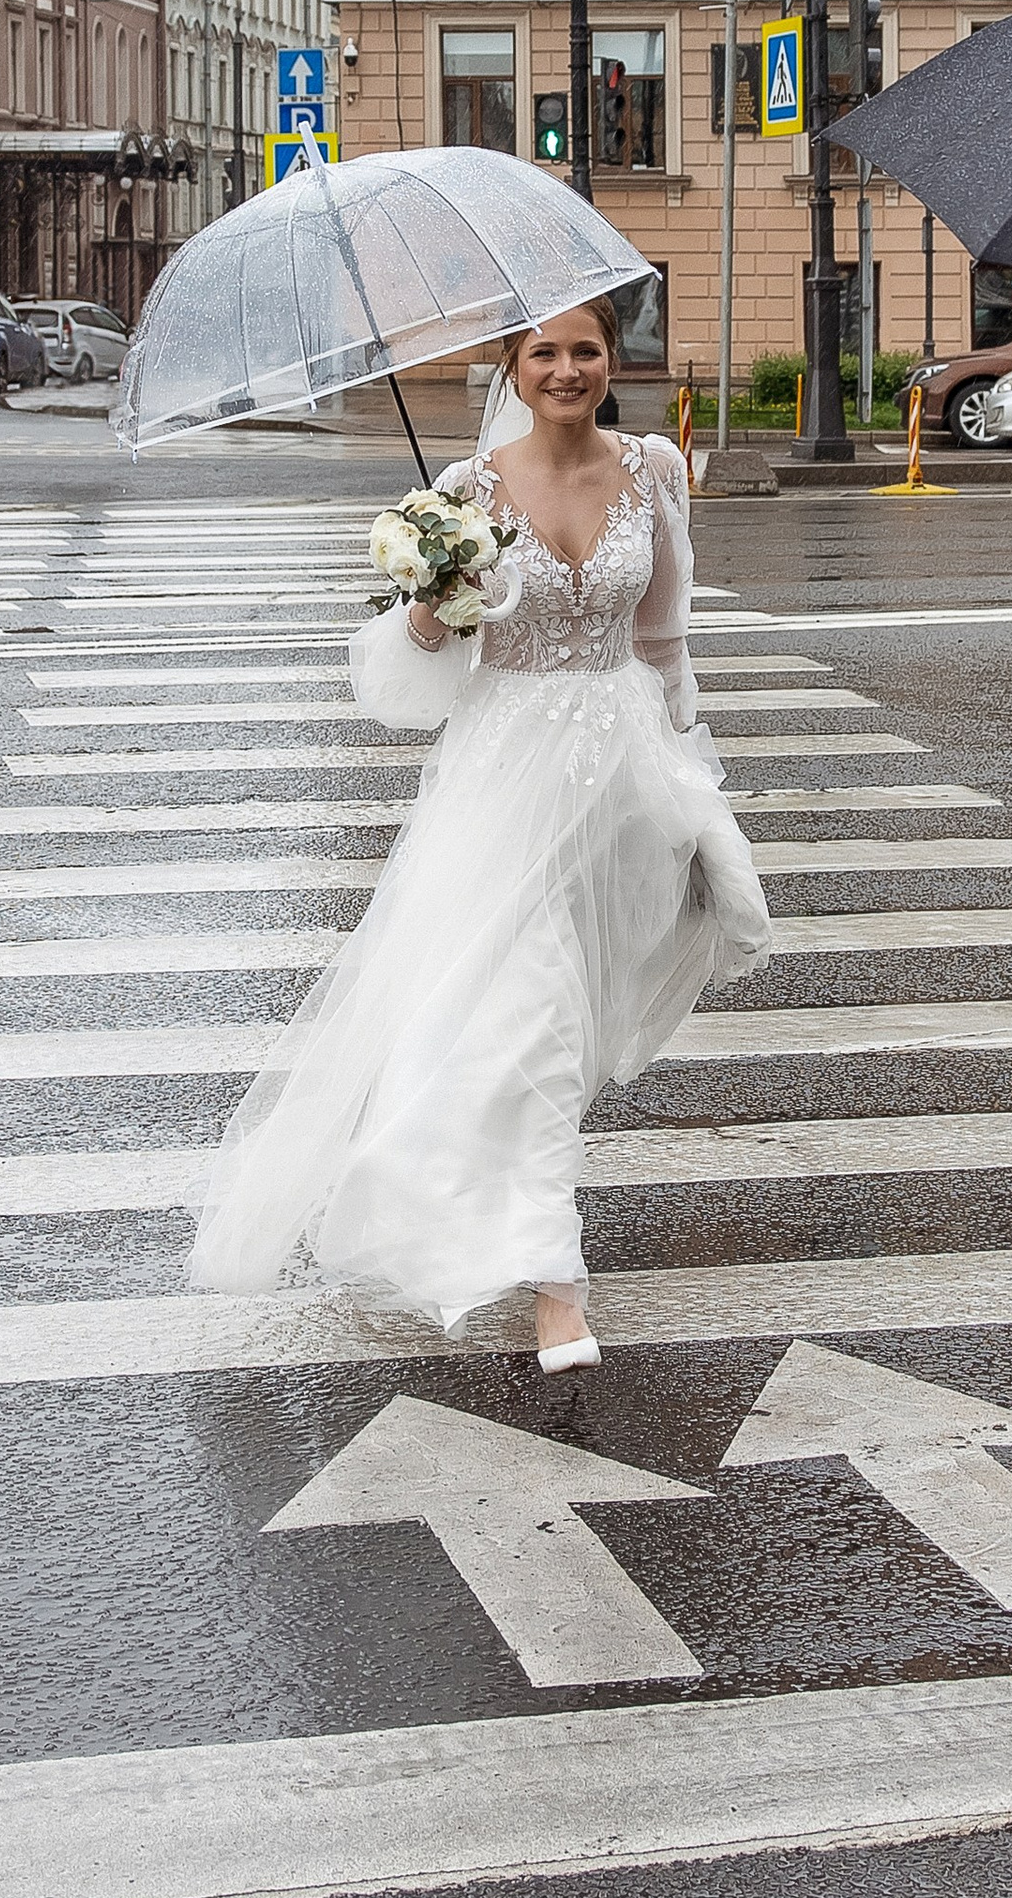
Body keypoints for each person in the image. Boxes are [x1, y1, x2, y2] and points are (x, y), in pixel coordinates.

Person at [190, 300, 770, 1368]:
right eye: (543, 352)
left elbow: (665, 646)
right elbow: (416, 674)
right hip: (503, 788)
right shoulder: (460, 495)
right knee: (536, 1020)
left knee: (570, 1027)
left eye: (584, 349)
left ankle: (473, 1200)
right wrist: (435, 596)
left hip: (624, 784)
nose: (565, 368)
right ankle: (559, 1287)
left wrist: (696, 795)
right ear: (511, 366)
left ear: (612, 361)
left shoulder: (653, 470)